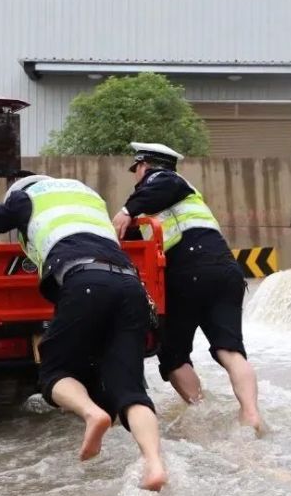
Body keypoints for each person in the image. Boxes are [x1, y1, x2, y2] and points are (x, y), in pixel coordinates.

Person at [0, 171, 168, 491]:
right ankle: (155, 465)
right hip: (131, 285)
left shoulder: (26, 197)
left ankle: (92, 414)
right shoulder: (90, 197)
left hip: (82, 280)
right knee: (129, 389)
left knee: (54, 371)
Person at [111, 143, 264, 433]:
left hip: (187, 272)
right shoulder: (174, 201)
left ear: (145, 166)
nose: (136, 176)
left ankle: (200, 408)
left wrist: (124, 210)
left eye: (136, 169)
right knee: (229, 349)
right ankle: (251, 414)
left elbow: (162, 186)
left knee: (172, 356)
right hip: (225, 271)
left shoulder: (164, 180)